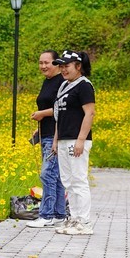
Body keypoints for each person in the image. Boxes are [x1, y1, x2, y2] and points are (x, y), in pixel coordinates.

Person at [52, 50, 96, 236]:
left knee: (79, 180)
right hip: (63, 139)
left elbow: (90, 113)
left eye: (67, 66)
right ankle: (74, 218)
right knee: (67, 181)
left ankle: (84, 221)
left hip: (77, 140)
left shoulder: (84, 86)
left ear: (78, 66)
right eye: (61, 66)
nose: (63, 69)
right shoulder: (63, 86)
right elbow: (59, 116)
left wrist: (80, 140)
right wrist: (55, 140)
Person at [26, 50, 68, 228]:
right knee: (56, 176)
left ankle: (46, 215)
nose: (43, 66)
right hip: (45, 133)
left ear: (57, 64)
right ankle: (60, 213)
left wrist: (41, 114)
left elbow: (61, 108)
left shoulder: (62, 83)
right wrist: (38, 129)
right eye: (40, 62)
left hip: (56, 135)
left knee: (48, 174)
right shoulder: (47, 82)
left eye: (47, 63)